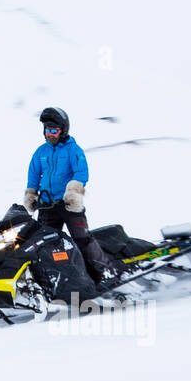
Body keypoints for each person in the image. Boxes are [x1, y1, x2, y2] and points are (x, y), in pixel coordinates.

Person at [22, 106, 122, 288]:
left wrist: (73, 192)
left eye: (54, 130)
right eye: (47, 130)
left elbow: (81, 173)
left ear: (63, 130)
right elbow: (33, 175)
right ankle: (52, 281)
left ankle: (105, 274)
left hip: (68, 204)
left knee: (82, 239)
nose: (49, 134)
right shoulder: (40, 152)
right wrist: (31, 194)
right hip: (47, 206)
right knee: (44, 246)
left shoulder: (73, 150)